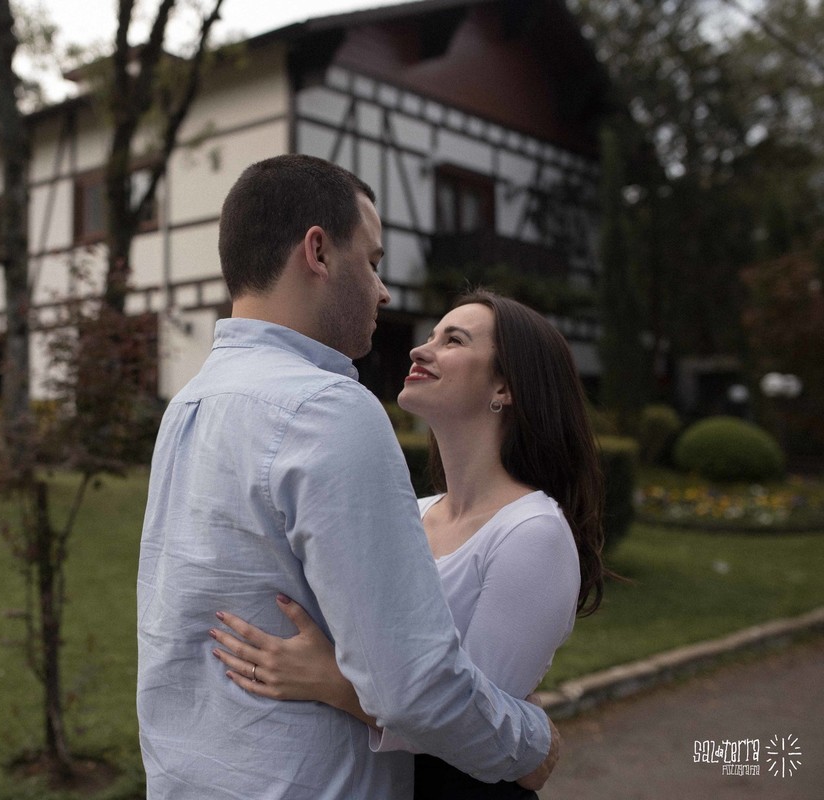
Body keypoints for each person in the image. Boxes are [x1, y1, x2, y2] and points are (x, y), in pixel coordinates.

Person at [137, 154, 560, 799]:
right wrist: (531, 741)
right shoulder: (326, 410)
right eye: (372, 261)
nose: (382, 291)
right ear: (318, 252)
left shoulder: (189, 405)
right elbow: (413, 685)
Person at [209, 290, 608, 798]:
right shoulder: (413, 512)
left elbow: (473, 728)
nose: (422, 349)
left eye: (454, 340)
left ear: (505, 386)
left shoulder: (532, 533)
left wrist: (330, 680)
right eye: (432, 335)